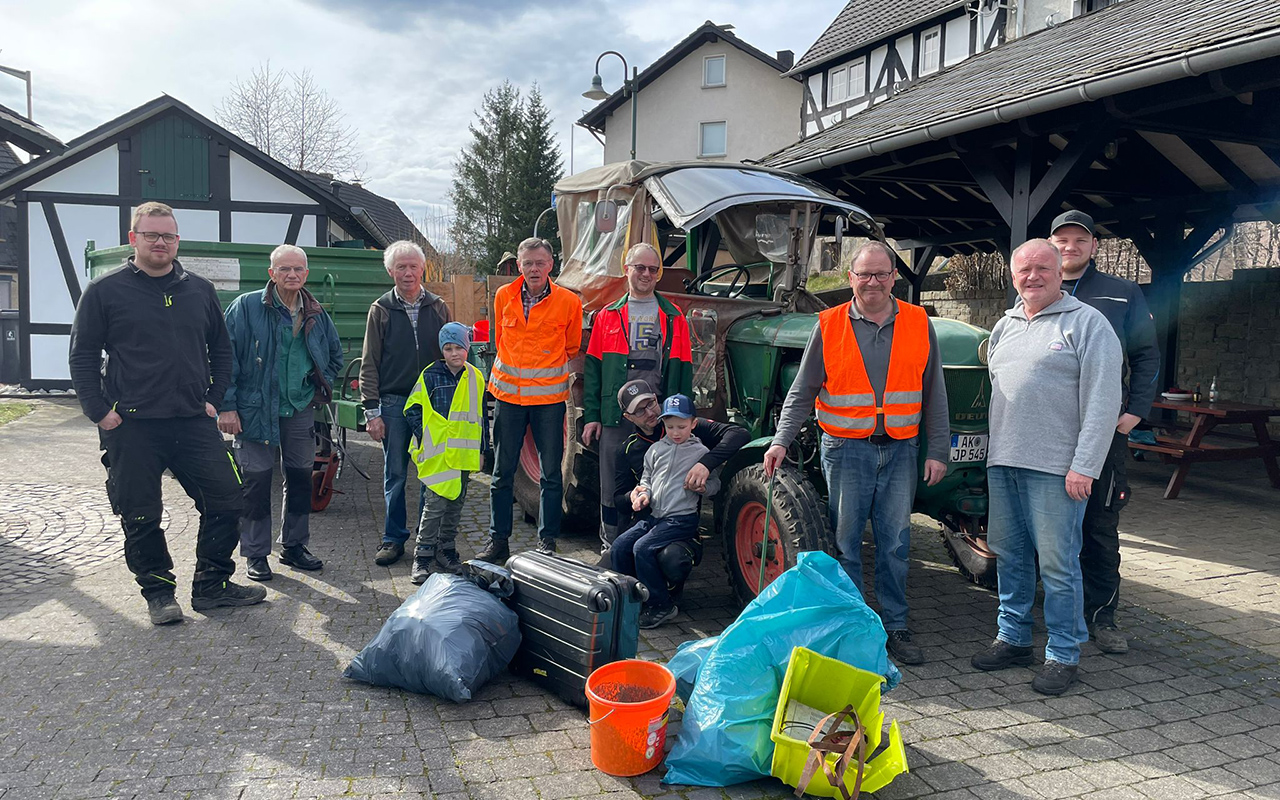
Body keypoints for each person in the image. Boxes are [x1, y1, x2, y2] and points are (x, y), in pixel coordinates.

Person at [68, 201, 266, 624]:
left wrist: (214, 396)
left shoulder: (200, 289)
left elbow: (222, 349)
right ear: (133, 238)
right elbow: (83, 354)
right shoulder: (105, 291)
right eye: (151, 235)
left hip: (192, 420)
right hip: (132, 426)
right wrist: (99, 411)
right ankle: (159, 594)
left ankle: (212, 585)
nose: (161, 242)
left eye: (168, 236)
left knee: (229, 499)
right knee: (140, 513)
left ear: (178, 240)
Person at [762, 241, 949, 666]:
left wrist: (938, 449)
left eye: (881, 274)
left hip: (901, 450)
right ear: (850, 278)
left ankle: (895, 626)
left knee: (896, 544)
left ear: (893, 277)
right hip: (846, 451)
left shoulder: (920, 322)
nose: (873, 282)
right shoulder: (827, 325)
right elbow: (803, 390)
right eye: (864, 274)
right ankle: (853, 629)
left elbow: (934, 391)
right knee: (846, 544)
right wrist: (781, 440)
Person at [971, 238, 1122, 696]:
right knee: (1011, 556)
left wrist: (1085, 466)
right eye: (1023, 270)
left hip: (1058, 471)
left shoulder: (1088, 325)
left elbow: (1103, 401)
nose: (1032, 276)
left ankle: (1063, 652)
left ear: (1060, 273)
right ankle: (1014, 637)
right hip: (1004, 465)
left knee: (1058, 565)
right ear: (1013, 276)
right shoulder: (1005, 326)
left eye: (1042, 268)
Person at [1048, 210, 1159, 655]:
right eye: (1062, 240)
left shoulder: (1121, 293)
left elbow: (1147, 355)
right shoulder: (1037, 289)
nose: (1070, 247)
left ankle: (1102, 617)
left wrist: (1136, 412)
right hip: (1049, 432)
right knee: (1049, 525)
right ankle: (1055, 608)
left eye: (1079, 240)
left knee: (1098, 524)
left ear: (1094, 246)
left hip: (1104, 433)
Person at [219, 244, 343, 581]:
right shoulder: (245, 308)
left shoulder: (316, 311)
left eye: (298, 270)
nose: (292, 275)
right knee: (257, 482)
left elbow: (334, 354)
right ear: (271, 273)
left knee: (301, 478)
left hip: (299, 407)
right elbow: (223, 358)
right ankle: (256, 554)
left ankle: (294, 546)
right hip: (254, 410)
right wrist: (227, 406)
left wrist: (318, 385)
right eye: (284, 269)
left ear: (306, 273)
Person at [477, 238, 583, 563]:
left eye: (540, 262)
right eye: (528, 263)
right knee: (501, 473)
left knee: (551, 474)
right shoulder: (503, 296)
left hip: (549, 401)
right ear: (519, 265)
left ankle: (547, 542)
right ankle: (498, 541)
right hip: (508, 398)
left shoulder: (568, 302)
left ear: (551, 265)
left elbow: (572, 346)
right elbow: (500, 340)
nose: (533, 269)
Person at [582, 243, 693, 552]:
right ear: (626, 270)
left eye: (652, 269)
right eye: (640, 268)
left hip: (657, 416)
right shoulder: (608, 316)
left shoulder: (673, 317)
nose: (646, 274)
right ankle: (611, 546)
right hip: (616, 416)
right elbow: (594, 370)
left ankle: (650, 544)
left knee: (659, 480)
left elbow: (683, 370)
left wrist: (679, 417)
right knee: (611, 483)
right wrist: (593, 415)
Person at [360, 241, 452, 567]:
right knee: (395, 473)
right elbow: (369, 362)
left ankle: (430, 540)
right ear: (390, 271)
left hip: (431, 403)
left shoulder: (439, 307)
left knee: (431, 473)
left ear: (423, 268)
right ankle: (393, 538)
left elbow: (450, 356)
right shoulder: (381, 309)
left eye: (413, 266)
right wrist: (372, 411)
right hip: (394, 401)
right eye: (401, 267)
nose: (408, 273)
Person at [613, 395, 716, 629]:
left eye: (681, 426)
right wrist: (642, 494)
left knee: (643, 548)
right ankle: (632, 599)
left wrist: (703, 486)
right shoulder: (656, 450)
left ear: (693, 423)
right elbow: (647, 479)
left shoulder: (701, 453)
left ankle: (662, 604)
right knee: (619, 546)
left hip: (681, 519)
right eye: (670, 427)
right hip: (654, 517)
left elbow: (715, 486)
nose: (676, 432)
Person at [610, 379, 749, 540]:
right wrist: (631, 496)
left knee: (671, 557)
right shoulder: (627, 449)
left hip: (681, 522)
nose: (649, 413)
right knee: (621, 551)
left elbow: (739, 434)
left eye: (650, 404)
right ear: (628, 417)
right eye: (639, 411)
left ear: (656, 398)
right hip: (648, 520)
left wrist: (705, 463)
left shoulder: (682, 424)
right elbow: (619, 500)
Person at [404, 322, 487, 584]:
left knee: (455, 506)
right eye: (448, 349)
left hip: (462, 456)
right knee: (434, 507)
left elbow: (481, 418)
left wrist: (483, 450)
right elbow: (411, 409)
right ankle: (423, 556)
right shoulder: (430, 375)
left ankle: (446, 550)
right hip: (438, 456)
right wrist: (425, 436)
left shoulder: (476, 377)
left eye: (459, 348)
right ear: (442, 351)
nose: (454, 354)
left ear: (467, 348)